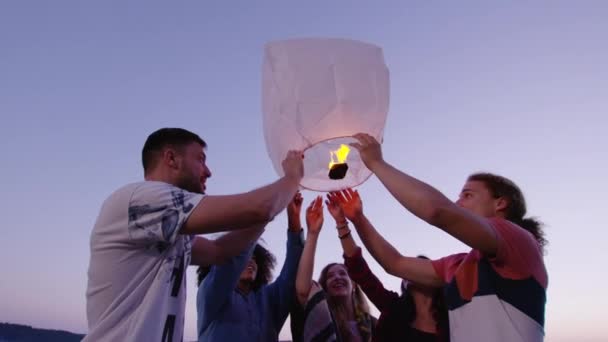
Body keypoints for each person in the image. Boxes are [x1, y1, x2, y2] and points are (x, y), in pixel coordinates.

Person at [84, 128, 303, 341]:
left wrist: (270, 209)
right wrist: (292, 178)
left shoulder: (167, 232)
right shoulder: (141, 198)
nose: (208, 171)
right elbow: (257, 208)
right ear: (171, 158)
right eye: (200, 159)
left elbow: (220, 251)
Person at [340, 133, 548, 341]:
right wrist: (358, 219)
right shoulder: (458, 265)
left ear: (500, 203)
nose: (458, 204)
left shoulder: (520, 242)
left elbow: (437, 211)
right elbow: (395, 264)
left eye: (467, 195)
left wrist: (376, 163)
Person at [326, 191, 448, 342]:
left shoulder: (451, 322)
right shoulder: (393, 307)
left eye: (418, 268)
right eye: (408, 270)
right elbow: (359, 269)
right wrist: (341, 223)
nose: (410, 273)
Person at [195, 192, 305, 341]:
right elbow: (229, 264)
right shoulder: (211, 293)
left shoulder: (268, 299)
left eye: (254, 259)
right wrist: (267, 210)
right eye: (245, 257)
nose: (250, 261)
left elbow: (292, 271)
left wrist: (294, 219)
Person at [291, 197, 376, 342]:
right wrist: (312, 233)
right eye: (330, 276)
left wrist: (342, 221)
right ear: (324, 287)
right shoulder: (318, 315)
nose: (337, 277)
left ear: (354, 284)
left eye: (343, 273)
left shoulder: (374, 325)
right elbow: (302, 289)